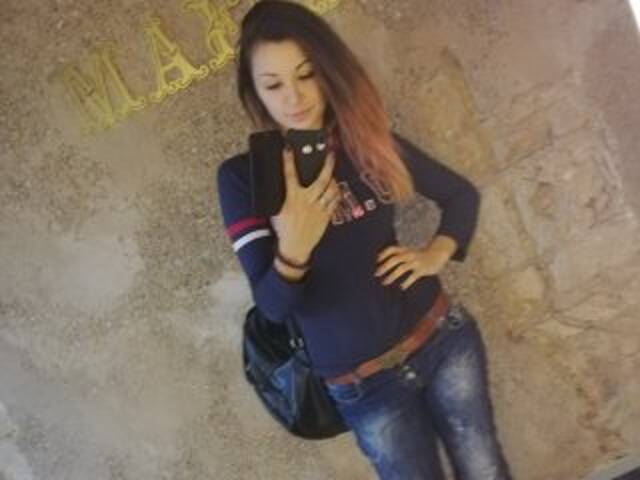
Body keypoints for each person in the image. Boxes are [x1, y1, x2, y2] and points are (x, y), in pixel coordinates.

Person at [216, 1, 512, 479]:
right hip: (364, 385)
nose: (293, 97)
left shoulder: (363, 140)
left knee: (486, 470)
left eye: (306, 74)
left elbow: (460, 197)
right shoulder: (243, 180)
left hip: (443, 340)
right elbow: (273, 307)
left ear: (327, 71)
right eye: (273, 85)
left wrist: (435, 254)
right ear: (255, 93)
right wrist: (295, 245)